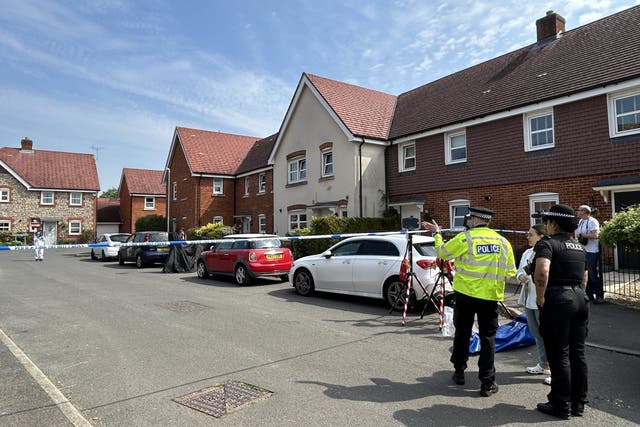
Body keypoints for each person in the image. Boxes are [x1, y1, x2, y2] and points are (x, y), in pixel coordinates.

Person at [422, 207, 516, 397]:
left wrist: (437, 233)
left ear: (474, 220)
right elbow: (510, 272)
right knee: (488, 338)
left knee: (463, 333)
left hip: (465, 295)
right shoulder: (503, 242)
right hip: (490, 297)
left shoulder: (466, 238)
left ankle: (459, 371)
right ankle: (487, 383)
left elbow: (442, 253)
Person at [533, 204, 588, 419]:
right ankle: (578, 403)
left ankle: (560, 404)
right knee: (578, 353)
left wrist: (540, 298)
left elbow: (542, 272)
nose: (546, 225)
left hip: (558, 299)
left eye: (547, 222)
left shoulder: (547, 243)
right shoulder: (579, 246)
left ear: (554, 223)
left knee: (559, 354)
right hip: (579, 299)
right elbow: (584, 278)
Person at [516, 224, 550, 384]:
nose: (527, 237)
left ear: (541, 236)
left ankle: (554, 369)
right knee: (536, 333)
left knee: (549, 334)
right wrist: (520, 277)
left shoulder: (549, 252)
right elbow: (520, 271)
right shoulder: (527, 253)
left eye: (531, 234)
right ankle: (543, 364)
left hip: (543, 299)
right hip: (529, 298)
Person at [576, 205, 603, 303]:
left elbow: (596, 235)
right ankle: (589, 295)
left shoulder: (592, 221)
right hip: (582, 250)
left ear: (584, 212)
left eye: (579, 210)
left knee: (592, 274)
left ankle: (599, 296)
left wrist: (583, 235)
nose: (577, 212)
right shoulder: (581, 221)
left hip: (592, 251)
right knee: (585, 274)